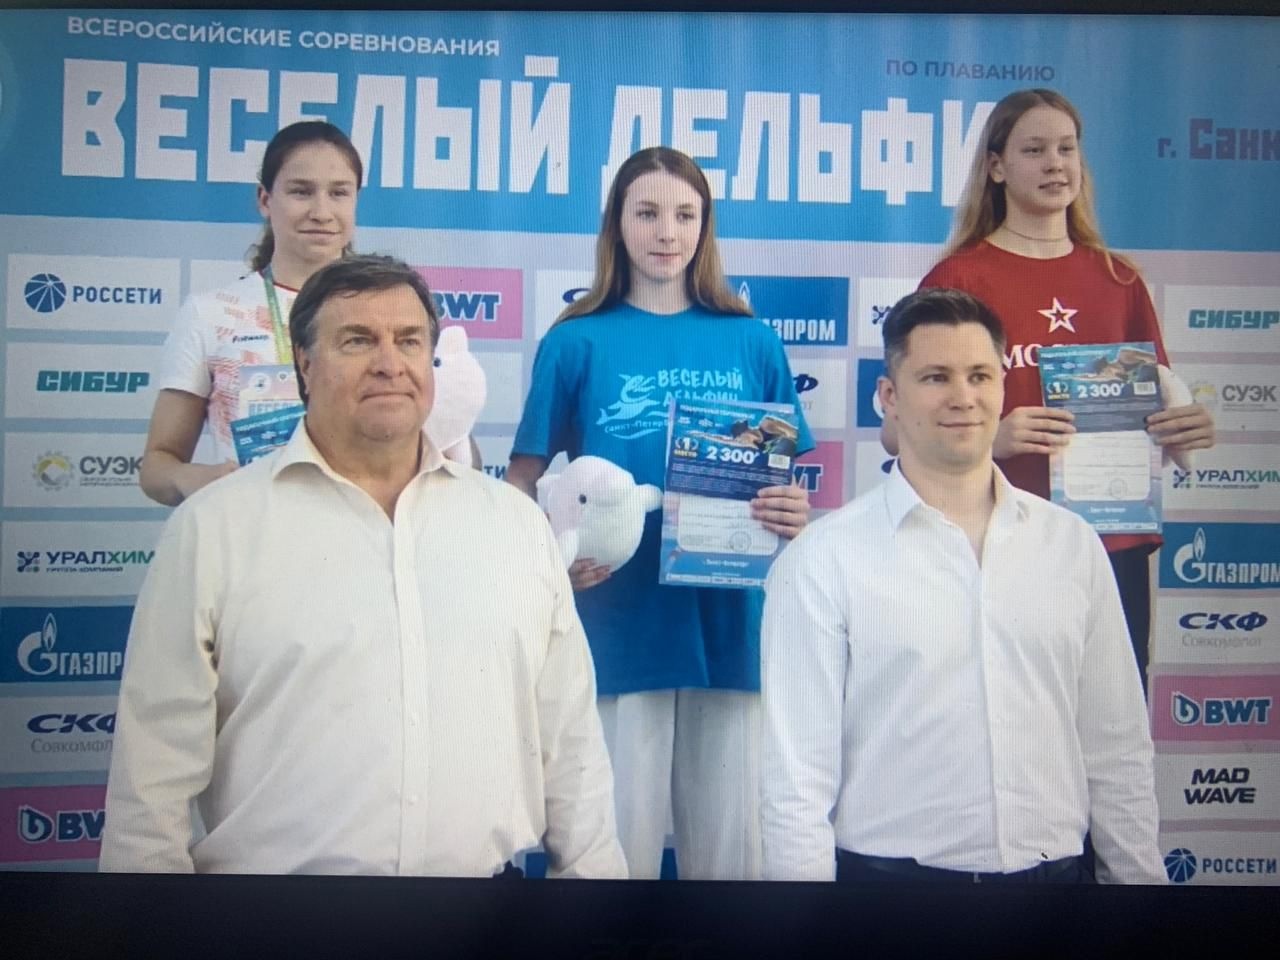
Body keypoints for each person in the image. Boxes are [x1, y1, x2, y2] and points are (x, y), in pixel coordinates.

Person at [100, 255, 626, 878]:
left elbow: (571, 741)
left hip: (485, 913)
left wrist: (594, 895)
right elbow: (151, 781)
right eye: (357, 340)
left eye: (409, 341)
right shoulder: (212, 529)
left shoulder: (514, 525)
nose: (389, 363)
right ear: (304, 363)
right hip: (272, 916)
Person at [761, 288, 1165, 885]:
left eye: (980, 375)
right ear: (889, 397)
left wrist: (1140, 894)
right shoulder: (822, 559)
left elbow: (1117, 747)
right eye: (936, 377)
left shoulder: (1073, 545)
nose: (963, 397)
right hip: (889, 898)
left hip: (1055, 886)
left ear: (1001, 386)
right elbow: (796, 780)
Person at [506, 147, 813, 880]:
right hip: (616, 621)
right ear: (617, 222)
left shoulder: (751, 339)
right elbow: (520, 486)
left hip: (727, 622)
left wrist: (792, 508)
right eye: (646, 213)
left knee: (734, 860)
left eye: (685, 214)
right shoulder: (576, 339)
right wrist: (547, 567)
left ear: (705, 226)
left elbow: (786, 480)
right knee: (611, 854)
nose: (666, 232)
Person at [906, 88, 1215, 688]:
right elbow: (901, 434)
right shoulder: (958, 278)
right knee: (1007, 715)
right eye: (1035, 150)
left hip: (1112, 543)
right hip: (1000, 537)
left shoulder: (1118, 279)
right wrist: (990, 439)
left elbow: (1162, 409)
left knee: (1113, 718)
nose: (1055, 164)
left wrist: (1185, 427)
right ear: (996, 166)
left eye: (1067, 149)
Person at [139, 121, 363, 506]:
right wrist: (198, 479)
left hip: (361, 530)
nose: (321, 212)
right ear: (264, 199)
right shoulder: (212, 314)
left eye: (338, 193)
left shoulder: (390, 311)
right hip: (250, 530)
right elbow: (156, 468)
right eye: (301, 191)